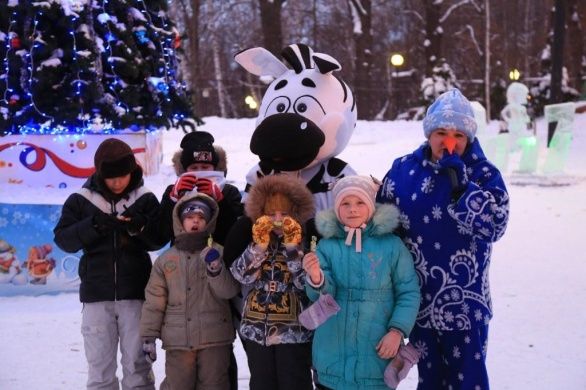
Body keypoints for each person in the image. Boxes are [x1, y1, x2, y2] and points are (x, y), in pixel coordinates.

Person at [376, 89, 510, 390]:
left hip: (465, 307)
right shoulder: (403, 169)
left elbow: (497, 225)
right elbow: (385, 224)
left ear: (468, 138)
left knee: (468, 381)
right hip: (419, 303)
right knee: (430, 381)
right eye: (441, 132)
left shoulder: (484, 174)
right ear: (429, 133)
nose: (449, 141)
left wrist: (463, 187)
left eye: (458, 135)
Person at [54, 138, 165, 390]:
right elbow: (63, 239)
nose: (117, 182)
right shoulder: (81, 200)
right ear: (99, 174)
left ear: (132, 171)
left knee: (138, 367)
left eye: (123, 176)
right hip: (96, 297)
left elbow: (159, 238)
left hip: (136, 296)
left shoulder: (145, 199)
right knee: (100, 370)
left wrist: (140, 226)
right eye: (111, 177)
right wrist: (93, 226)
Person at [302, 175, 421, 390]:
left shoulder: (392, 246)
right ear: (336, 208)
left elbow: (408, 292)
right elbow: (319, 296)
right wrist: (316, 277)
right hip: (332, 357)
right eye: (345, 203)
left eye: (360, 202)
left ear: (371, 206)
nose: (352, 209)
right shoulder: (327, 246)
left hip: (375, 358)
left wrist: (397, 332)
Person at [140, 191, 240, 390]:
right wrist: (148, 336)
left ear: (209, 222)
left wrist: (216, 270)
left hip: (215, 338)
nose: (195, 222)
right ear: (180, 221)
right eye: (190, 217)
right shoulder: (166, 260)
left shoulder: (219, 252)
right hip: (178, 341)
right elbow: (154, 301)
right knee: (177, 385)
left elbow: (229, 291)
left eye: (201, 218)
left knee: (215, 385)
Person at [229, 174, 315, 390]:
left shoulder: (307, 239)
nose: (277, 219)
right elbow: (241, 275)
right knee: (261, 382)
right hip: (257, 327)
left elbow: (306, 283)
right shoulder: (253, 238)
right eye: (271, 213)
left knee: (294, 380)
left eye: (284, 214)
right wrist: (258, 247)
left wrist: (293, 249)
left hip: (293, 328)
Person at [159, 130, 243, 246]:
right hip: (182, 257)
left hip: (217, 256)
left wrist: (220, 200)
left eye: (205, 167)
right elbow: (162, 233)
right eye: (194, 167)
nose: (200, 172)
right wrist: (172, 200)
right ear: (185, 170)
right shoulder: (172, 191)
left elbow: (235, 233)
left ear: (214, 168)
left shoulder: (229, 191)